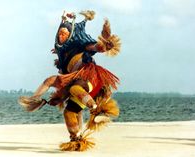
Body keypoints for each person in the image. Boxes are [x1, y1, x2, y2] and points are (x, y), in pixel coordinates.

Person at [18, 10, 121, 151]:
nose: (61, 35)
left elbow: (96, 47)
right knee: (69, 110)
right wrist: (53, 98)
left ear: (70, 35)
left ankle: (97, 111)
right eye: (60, 33)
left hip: (91, 80)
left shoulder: (81, 45)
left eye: (65, 33)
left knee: (74, 88)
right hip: (79, 87)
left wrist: (105, 45)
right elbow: (59, 82)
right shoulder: (63, 59)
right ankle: (76, 138)